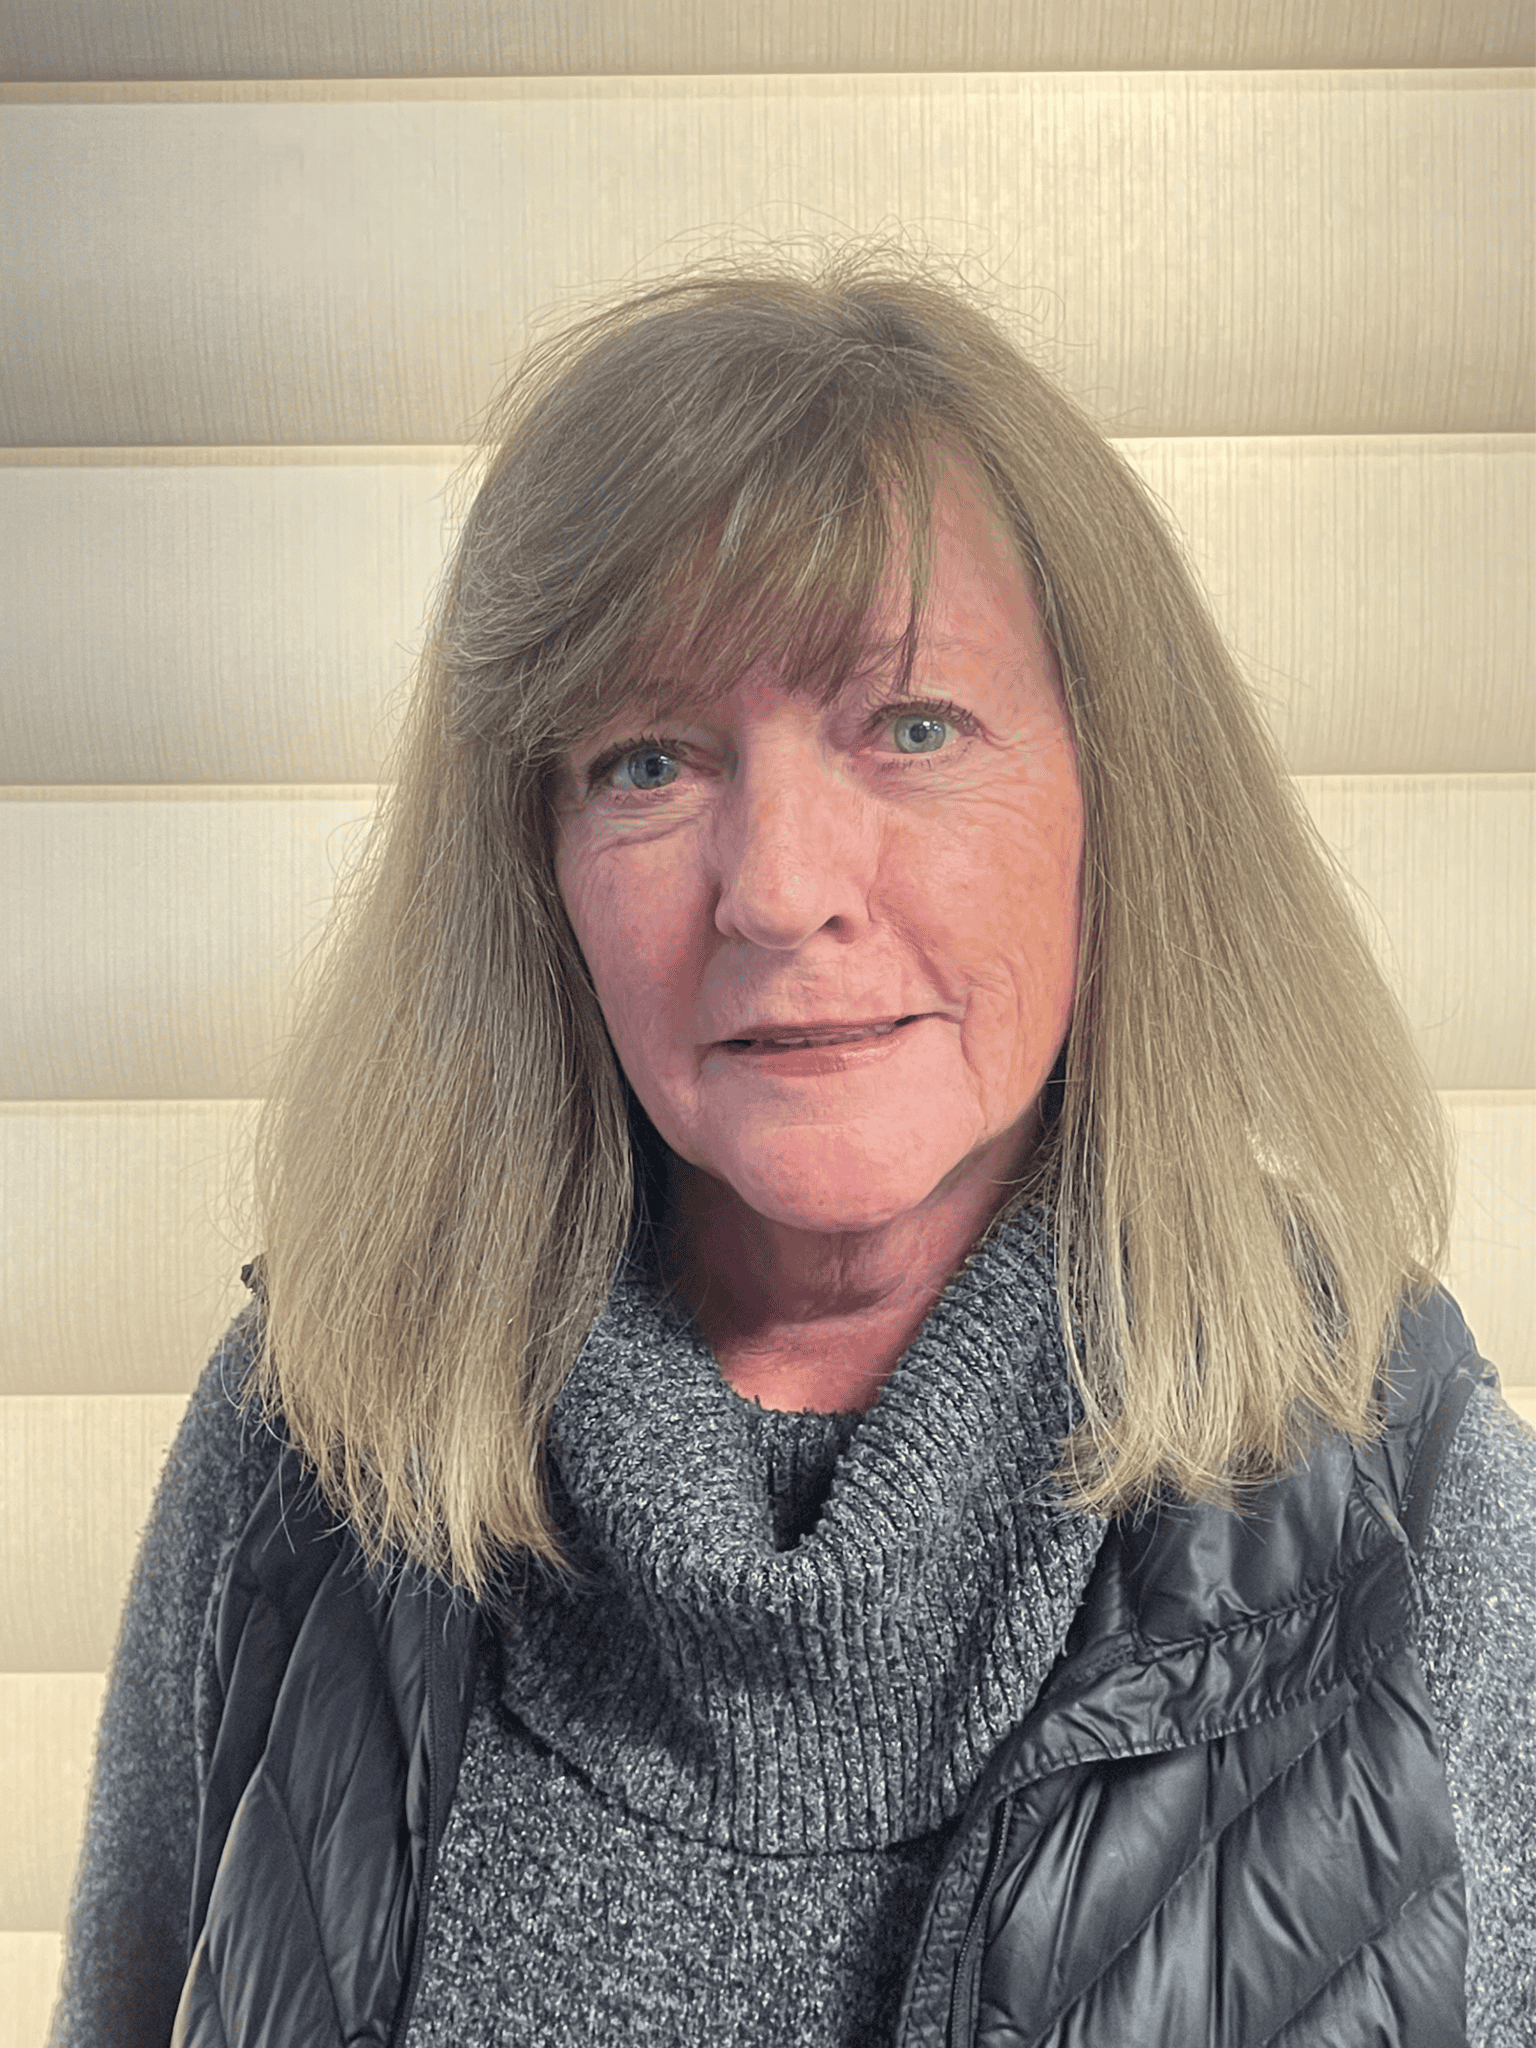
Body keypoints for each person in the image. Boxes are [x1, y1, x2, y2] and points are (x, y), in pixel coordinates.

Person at [51, 247, 1534, 2047]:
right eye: (648, 763)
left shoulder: (1395, 1485)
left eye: (913, 726)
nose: (778, 890)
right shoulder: (323, 1437)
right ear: (535, 870)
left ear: (1111, 798)